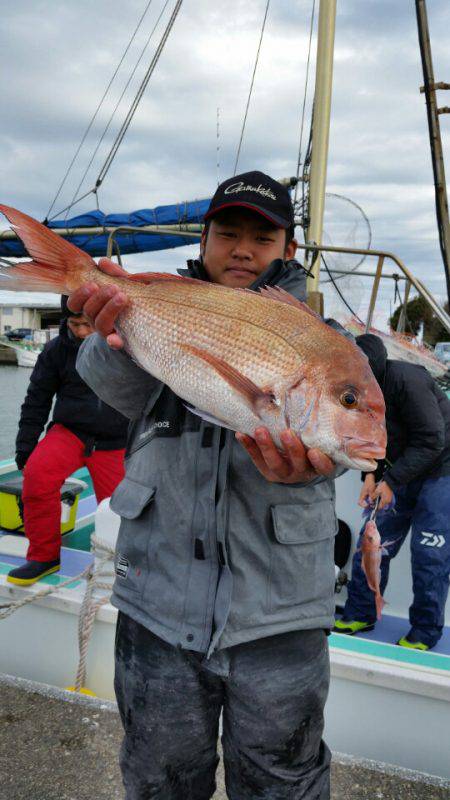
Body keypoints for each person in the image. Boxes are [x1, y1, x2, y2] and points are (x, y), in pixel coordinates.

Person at [69, 171, 344, 800]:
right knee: (159, 779)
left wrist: (333, 459)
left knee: (283, 782)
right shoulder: (164, 304)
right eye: (227, 233)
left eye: (262, 237)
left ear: (289, 252)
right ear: (204, 238)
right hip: (159, 600)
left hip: (279, 615)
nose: (242, 249)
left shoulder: (326, 339)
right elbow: (116, 393)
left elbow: (355, 430)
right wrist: (113, 332)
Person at [335, 333, 450, 651]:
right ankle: (362, 612)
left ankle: (425, 631)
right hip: (400, 469)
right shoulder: (356, 393)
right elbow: (371, 440)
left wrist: (390, 481)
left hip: (442, 468)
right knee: (370, 544)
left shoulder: (407, 382)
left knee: (430, 554)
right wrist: (371, 476)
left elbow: (431, 440)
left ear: (375, 370)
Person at [7, 298, 128, 586]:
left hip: (116, 440)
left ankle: (123, 566)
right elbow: (36, 400)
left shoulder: (125, 345)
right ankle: (43, 557)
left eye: (88, 324)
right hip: (70, 432)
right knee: (37, 476)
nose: (82, 332)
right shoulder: (56, 350)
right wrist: (25, 448)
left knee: (120, 508)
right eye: (75, 324)